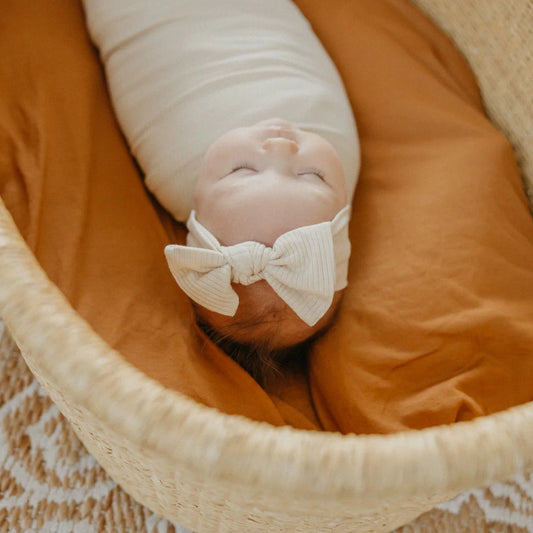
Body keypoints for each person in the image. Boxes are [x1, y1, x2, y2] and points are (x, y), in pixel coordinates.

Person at [82, 0, 360, 383]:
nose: (281, 146)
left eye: (243, 170)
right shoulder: (345, 160)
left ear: (196, 210)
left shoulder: (173, 171)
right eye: (313, 176)